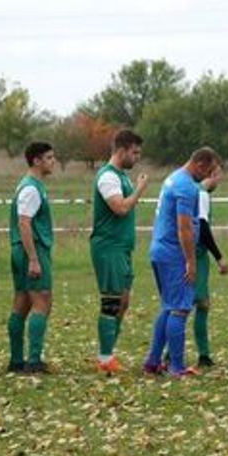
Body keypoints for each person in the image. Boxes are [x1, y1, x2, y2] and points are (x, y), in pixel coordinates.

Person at [145, 147, 222, 378]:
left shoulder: (173, 178)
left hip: (160, 249)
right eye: (208, 171)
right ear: (200, 164)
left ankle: (153, 361)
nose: (208, 176)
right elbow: (184, 227)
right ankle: (176, 366)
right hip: (173, 254)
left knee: (169, 306)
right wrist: (191, 261)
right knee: (180, 308)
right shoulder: (186, 187)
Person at [90, 129, 149, 373]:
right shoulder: (108, 177)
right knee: (112, 302)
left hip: (122, 248)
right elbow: (120, 208)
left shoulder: (122, 176)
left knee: (123, 302)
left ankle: (108, 353)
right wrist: (140, 189)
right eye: (134, 152)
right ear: (122, 150)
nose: (137, 158)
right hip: (109, 247)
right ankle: (105, 359)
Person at [8, 142, 56, 374]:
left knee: (22, 302)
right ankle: (34, 360)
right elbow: (24, 223)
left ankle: (16, 360)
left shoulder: (31, 185)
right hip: (31, 250)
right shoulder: (31, 188)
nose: (53, 161)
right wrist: (34, 259)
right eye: (49, 157)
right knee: (42, 301)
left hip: (22, 250)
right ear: (36, 161)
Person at [193, 164, 228, 367]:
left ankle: (202, 354)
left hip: (193, 254)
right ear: (213, 174)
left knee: (198, 303)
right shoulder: (201, 194)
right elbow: (202, 227)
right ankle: (199, 354)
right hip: (195, 254)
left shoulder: (196, 191)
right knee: (192, 303)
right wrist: (219, 257)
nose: (220, 181)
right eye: (219, 176)